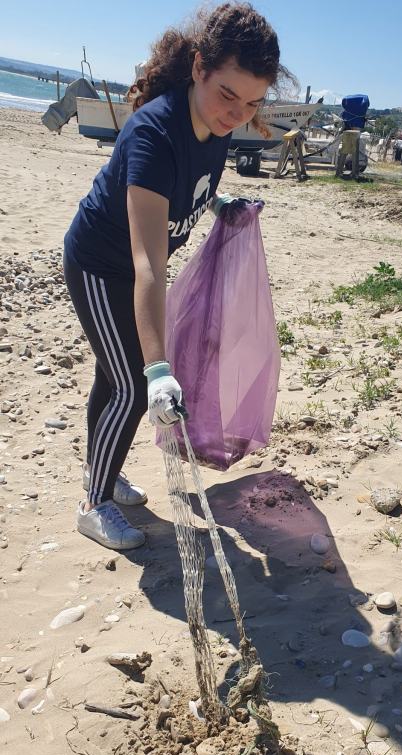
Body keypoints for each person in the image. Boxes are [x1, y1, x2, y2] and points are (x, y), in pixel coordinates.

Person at [63, 2, 288, 551]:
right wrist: (159, 369)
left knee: (111, 378)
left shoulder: (216, 128)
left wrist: (219, 206)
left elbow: (189, 189)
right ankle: (93, 504)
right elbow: (147, 264)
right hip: (101, 264)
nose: (236, 113)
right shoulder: (152, 135)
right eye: (227, 94)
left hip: (132, 267)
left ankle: (104, 470)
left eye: (252, 102)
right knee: (132, 387)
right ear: (197, 68)